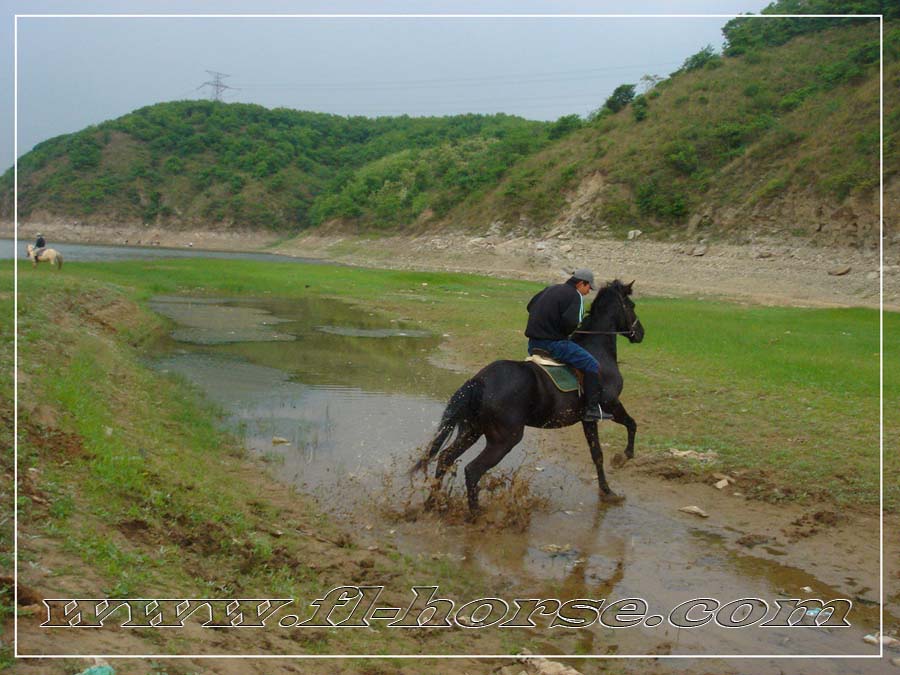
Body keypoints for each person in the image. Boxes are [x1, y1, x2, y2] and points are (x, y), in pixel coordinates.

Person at [525, 268, 613, 422]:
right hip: (554, 345)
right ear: (581, 283)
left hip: (533, 344)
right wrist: (561, 332)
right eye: (588, 288)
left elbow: (530, 307)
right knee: (591, 364)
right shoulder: (575, 296)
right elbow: (572, 323)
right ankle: (592, 409)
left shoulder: (550, 289)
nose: (588, 292)